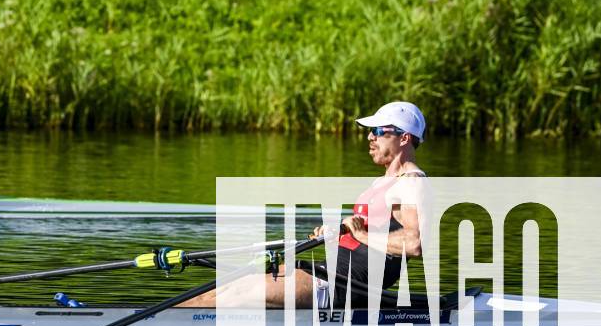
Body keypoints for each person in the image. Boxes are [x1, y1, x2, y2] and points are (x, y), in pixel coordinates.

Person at [179, 101, 427, 309]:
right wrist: (337, 235)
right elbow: (368, 237)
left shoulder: (411, 183)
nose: (370, 137)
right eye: (371, 131)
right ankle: (163, 317)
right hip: (332, 271)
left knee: (242, 291)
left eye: (379, 131)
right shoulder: (383, 181)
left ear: (404, 138)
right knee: (231, 284)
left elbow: (414, 244)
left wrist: (359, 234)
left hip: (346, 284)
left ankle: (159, 323)